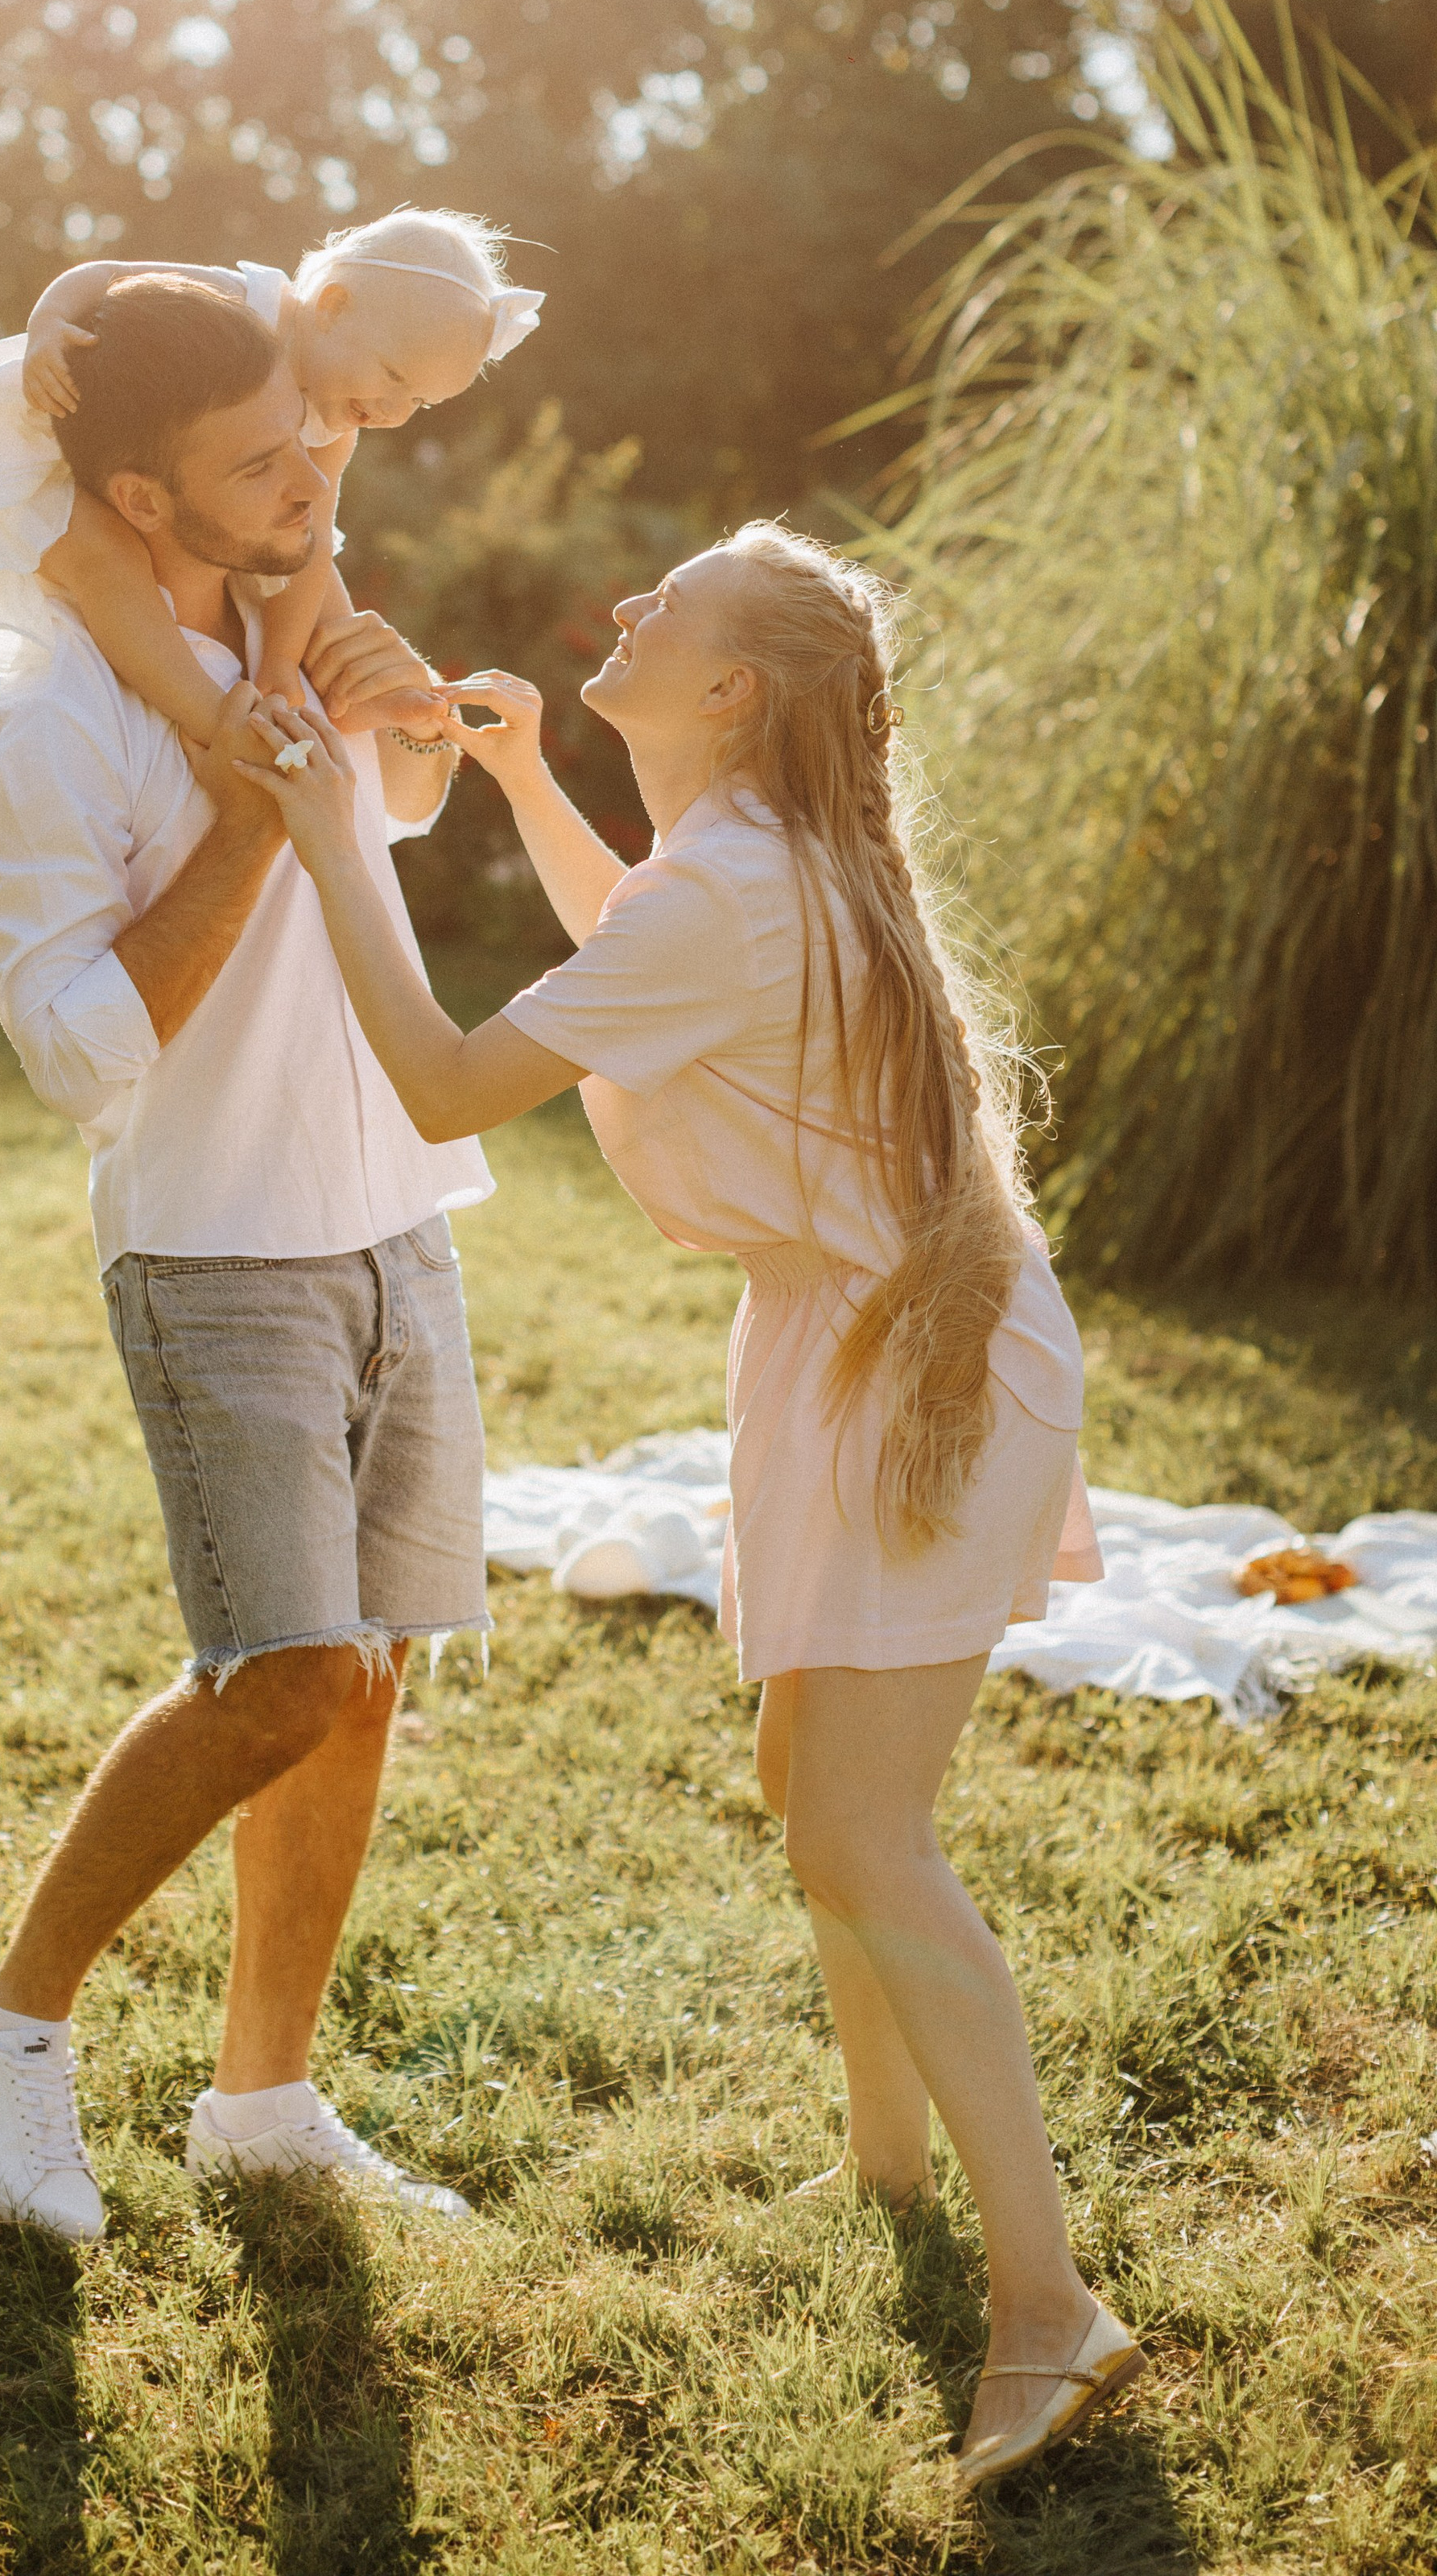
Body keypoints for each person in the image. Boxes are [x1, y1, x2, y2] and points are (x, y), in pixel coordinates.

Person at [236, 522, 1142, 2493]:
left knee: (862, 1831)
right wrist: (519, 776)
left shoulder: (730, 890)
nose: (621, 613)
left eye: (665, 609)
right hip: (862, 1338)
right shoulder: (737, 875)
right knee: (811, 1784)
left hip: (906, 1362)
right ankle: (886, 2169)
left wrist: (332, 837)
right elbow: (644, 941)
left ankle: (1047, 2303)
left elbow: (447, 1079)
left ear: (730, 690)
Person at [0, 272, 494, 2245]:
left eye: (305, 434)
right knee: (278, 1677)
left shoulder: (285, 605)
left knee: (367, 1677)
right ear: (140, 503)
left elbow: (388, 824)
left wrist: (388, 736)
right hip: (218, 1242)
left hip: (388, 1205)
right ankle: (2, 2027)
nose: (309, 474)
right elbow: (71, 1048)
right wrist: (247, 825)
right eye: (257, 460)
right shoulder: (51, 725)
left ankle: (262, 2098)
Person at [0, 205, 543, 730]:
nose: (394, 410)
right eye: (391, 376)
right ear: (330, 306)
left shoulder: (332, 421)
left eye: (419, 401)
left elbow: (312, 540)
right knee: (104, 558)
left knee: (322, 585)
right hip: (73, 435)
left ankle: (373, 729)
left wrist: (278, 667)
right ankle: (209, 722)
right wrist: (50, 327)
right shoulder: (238, 305)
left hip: (200, 490)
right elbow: (104, 276)